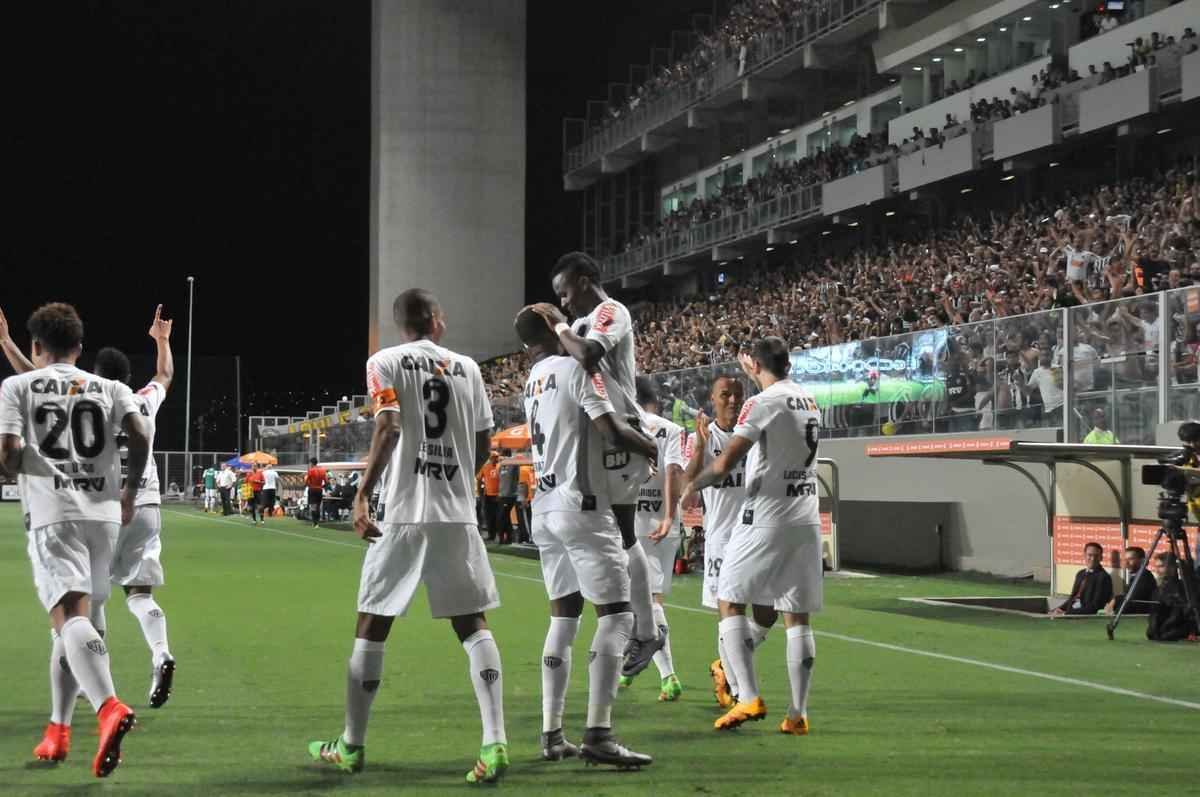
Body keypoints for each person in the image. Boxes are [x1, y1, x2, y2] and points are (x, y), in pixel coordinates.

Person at [308, 289, 509, 783]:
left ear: (401, 324)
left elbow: (390, 426)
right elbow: (485, 440)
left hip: (402, 511)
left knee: (372, 622)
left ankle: (352, 747)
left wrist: (361, 494)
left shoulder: (383, 362)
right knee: (472, 623)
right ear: (436, 321)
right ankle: (495, 742)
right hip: (456, 513)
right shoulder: (469, 368)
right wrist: (460, 479)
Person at [0, 302, 149, 777]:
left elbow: (8, 451)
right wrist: (128, 490)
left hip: (53, 513)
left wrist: (21, 464)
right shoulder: (110, 386)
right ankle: (57, 730)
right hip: (104, 516)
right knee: (75, 622)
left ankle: (107, 706)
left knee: (68, 617)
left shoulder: (16, 386)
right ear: (80, 348)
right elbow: (140, 433)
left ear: (36, 346)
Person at [515, 305, 656, 768]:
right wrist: (654, 448)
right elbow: (610, 430)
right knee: (616, 617)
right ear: (556, 335)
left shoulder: (529, 384)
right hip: (584, 506)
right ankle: (599, 733)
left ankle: (552, 734)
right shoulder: (576, 369)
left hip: (546, 509)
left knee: (563, 619)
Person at [532, 251, 664, 678]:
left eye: (566, 291)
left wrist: (557, 323)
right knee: (616, 533)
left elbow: (587, 355)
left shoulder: (611, 311)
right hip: (599, 438)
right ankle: (641, 627)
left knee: (624, 532)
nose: (565, 302)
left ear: (586, 280)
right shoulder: (584, 322)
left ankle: (645, 629)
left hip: (621, 433)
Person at [682, 338, 822, 736]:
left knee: (730, 602)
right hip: (806, 516)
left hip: (765, 518)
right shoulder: (808, 400)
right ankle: (797, 715)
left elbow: (725, 465)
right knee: (797, 617)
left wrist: (693, 486)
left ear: (757, 364)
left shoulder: (760, 403)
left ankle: (748, 696)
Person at [90, 306, 177, 709]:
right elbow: (165, 376)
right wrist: (162, 341)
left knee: (92, 599)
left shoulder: (89, 404)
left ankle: (100, 688)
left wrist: (7, 344)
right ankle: (161, 652)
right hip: (146, 505)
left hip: (104, 508)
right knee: (140, 594)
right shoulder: (142, 401)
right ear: (126, 377)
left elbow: (37, 382)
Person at [684, 375, 776, 711]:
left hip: (757, 534)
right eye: (726, 395)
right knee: (730, 613)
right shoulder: (704, 436)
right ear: (713, 399)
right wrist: (697, 447)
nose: (733, 400)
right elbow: (689, 482)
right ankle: (739, 690)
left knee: (768, 612)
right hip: (723, 538)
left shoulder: (752, 434)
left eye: (738, 395)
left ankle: (726, 666)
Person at [619, 376, 687, 702]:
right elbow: (675, 471)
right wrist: (671, 515)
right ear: (655, 402)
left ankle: (668, 674)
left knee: (638, 601)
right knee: (647, 598)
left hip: (630, 522)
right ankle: (630, 669)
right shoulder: (671, 430)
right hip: (663, 522)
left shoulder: (622, 423)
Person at [1052, 542, 1113, 616]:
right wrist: (1059, 609)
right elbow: (1072, 597)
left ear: (1101, 558)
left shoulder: (1104, 577)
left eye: (1096, 556)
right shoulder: (1080, 574)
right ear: (1084, 556)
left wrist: (1066, 613)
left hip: (1083, 615)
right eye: (1090, 555)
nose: (1093, 559)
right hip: (1071, 610)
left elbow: (1095, 606)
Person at [1108, 546, 1157, 614]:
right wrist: (1116, 599)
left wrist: (1114, 615)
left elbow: (1130, 602)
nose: (1126, 563)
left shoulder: (1144, 577)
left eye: (1131, 559)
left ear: (1142, 560)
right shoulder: (1136, 576)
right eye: (1125, 560)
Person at [477, 451, 501, 541]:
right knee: (489, 516)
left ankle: (499, 534)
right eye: (494, 457)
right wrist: (480, 493)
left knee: (498, 516)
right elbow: (479, 479)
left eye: (497, 457)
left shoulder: (501, 467)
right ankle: (491, 535)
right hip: (488, 495)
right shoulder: (485, 467)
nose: (496, 458)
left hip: (498, 495)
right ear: (490, 458)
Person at [497, 458, 518, 544]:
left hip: (509, 496)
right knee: (504, 517)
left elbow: (516, 478)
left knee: (503, 517)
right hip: (502, 495)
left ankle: (505, 538)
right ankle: (506, 538)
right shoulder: (501, 467)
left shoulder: (514, 466)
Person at [305, 458, 327, 528]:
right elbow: (326, 481)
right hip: (319, 489)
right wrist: (322, 486)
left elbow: (306, 480)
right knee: (317, 506)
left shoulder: (311, 470)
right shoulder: (322, 470)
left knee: (313, 506)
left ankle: (315, 523)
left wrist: (308, 485)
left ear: (311, 463)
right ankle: (317, 522)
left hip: (312, 489)